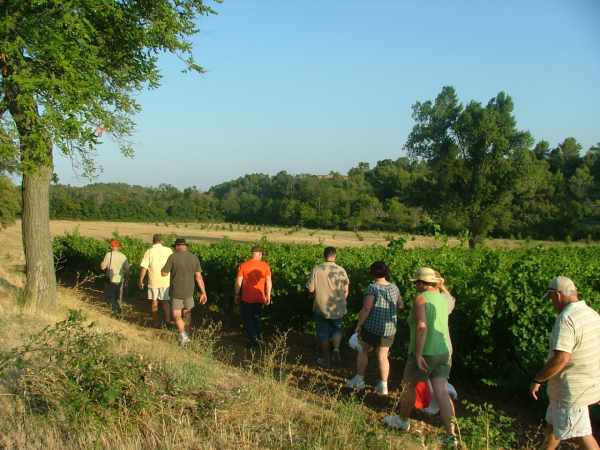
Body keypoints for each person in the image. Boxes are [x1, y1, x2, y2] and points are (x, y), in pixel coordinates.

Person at [384, 267, 457, 448]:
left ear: (422, 283)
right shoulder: (443, 299)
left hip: (426, 352)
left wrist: (417, 354)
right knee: (440, 391)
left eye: (416, 282)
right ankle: (451, 435)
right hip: (443, 352)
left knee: (409, 386)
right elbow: (450, 299)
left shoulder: (420, 299)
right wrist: (441, 284)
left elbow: (422, 327)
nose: (415, 285)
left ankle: (402, 420)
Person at [530, 276, 600, 450]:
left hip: (571, 391)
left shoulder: (566, 319)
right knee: (553, 427)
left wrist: (538, 379)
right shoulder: (591, 314)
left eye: (551, 298)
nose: (552, 303)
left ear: (557, 295)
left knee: (581, 435)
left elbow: (561, 358)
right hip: (583, 385)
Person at [346, 261, 402, 395]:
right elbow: (400, 305)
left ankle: (359, 380)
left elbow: (366, 308)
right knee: (383, 355)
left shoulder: (373, 288)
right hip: (389, 329)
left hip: (372, 327)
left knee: (363, 350)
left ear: (372, 273)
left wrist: (359, 326)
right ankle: (383, 386)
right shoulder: (394, 287)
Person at [306, 246, 350, 367]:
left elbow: (310, 289)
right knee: (337, 329)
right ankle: (336, 349)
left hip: (321, 307)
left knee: (323, 334)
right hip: (338, 307)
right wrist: (341, 301)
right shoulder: (341, 270)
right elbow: (346, 290)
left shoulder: (317, 269)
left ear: (324, 256)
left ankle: (326, 360)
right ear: (335, 256)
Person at [161, 238, 207, 346]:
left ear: (177, 247)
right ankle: (187, 334)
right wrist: (203, 292)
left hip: (176, 291)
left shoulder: (173, 257)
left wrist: (163, 270)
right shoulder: (194, 257)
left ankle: (183, 335)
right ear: (185, 246)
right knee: (187, 312)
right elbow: (199, 277)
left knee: (177, 315)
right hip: (189, 291)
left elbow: (164, 273)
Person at [234, 245, 272, 348]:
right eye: (262, 254)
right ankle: (258, 339)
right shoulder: (265, 266)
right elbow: (269, 282)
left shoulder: (244, 265)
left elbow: (238, 282)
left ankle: (254, 340)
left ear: (252, 254)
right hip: (260, 297)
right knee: (257, 318)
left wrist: (237, 294)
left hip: (246, 298)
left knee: (247, 319)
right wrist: (268, 295)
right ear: (259, 254)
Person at [138, 234, 173, 327]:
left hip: (153, 281)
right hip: (166, 281)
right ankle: (168, 322)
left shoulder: (149, 251)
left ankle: (156, 322)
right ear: (162, 241)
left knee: (154, 301)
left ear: (153, 241)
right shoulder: (169, 250)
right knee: (165, 302)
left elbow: (144, 267)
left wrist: (141, 280)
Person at [100, 239, 129, 315]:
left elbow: (103, 267)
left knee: (111, 295)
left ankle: (114, 311)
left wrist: (101, 263)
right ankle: (119, 309)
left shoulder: (108, 255)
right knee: (119, 295)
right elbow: (127, 269)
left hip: (110, 278)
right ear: (118, 247)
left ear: (111, 247)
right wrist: (126, 279)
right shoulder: (123, 256)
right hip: (120, 279)